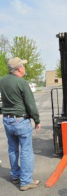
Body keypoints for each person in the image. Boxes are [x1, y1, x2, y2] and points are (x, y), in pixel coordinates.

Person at [0, 57, 41, 191]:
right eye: (23, 66)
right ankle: (26, 181)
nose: (24, 68)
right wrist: (37, 120)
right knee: (26, 151)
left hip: (7, 119)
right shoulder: (22, 82)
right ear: (18, 68)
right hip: (20, 120)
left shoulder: (2, 81)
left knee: (12, 149)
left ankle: (15, 175)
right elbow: (30, 104)